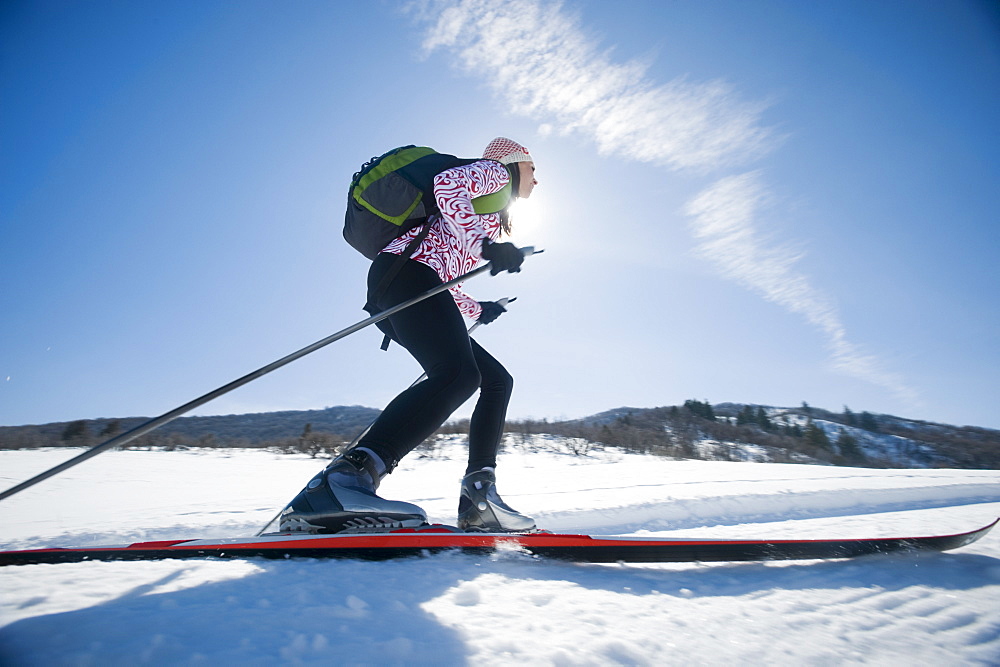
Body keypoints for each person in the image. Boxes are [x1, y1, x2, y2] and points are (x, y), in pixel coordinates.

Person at [280, 137, 539, 534]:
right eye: (533, 169)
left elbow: (443, 271)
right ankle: (343, 483)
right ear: (514, 161)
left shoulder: (485, 211)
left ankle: (479, 497)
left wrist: (478, 308)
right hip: (405, 277)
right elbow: (448, 184)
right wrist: (488, 246)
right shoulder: (495, 175)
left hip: (410, 281)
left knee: (495, 379)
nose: (536, 181)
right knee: (457, 373)